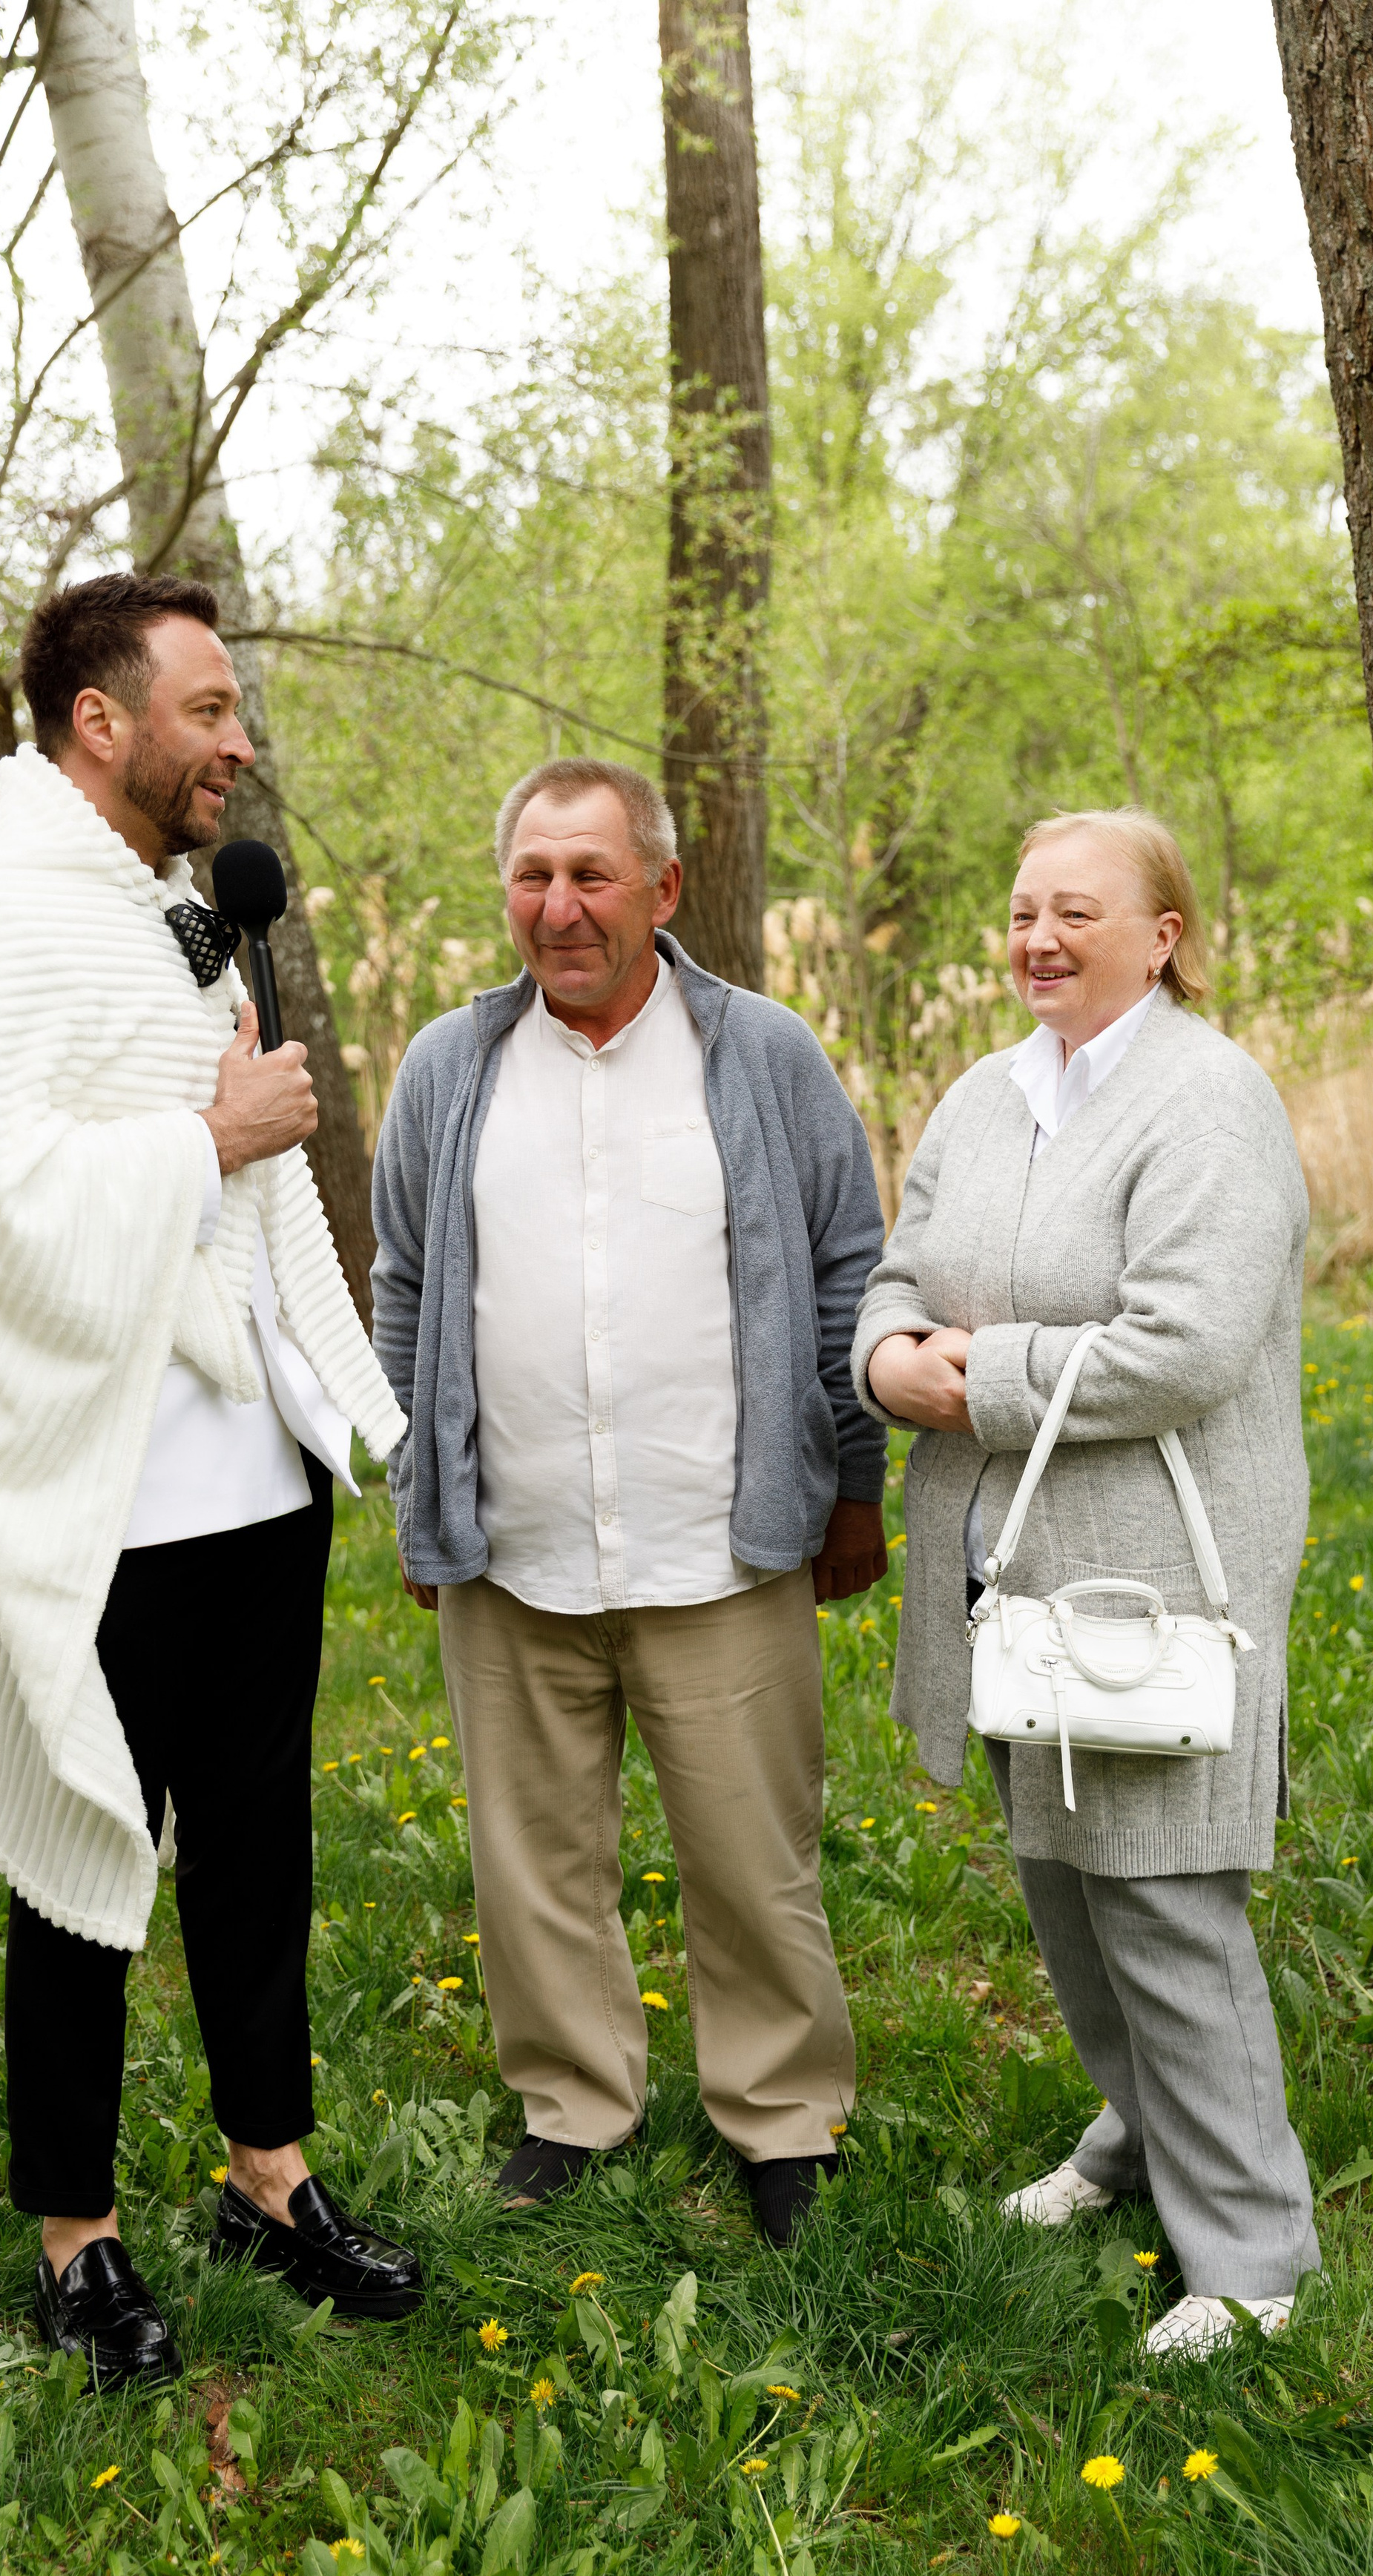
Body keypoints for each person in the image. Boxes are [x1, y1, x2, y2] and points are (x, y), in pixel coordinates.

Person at [0, 572, 424, 2391]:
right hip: (95, 1484)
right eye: (207, 708)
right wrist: (208, 1138)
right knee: (85, 1854)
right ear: (98, 719)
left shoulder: (174, 905)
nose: (239, 740)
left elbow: (230, 1179)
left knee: (259, 1852)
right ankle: (77, 2234)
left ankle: (272, 2174)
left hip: (249, 1468)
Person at [371, 758, 888, 2246]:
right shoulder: (448, 1068)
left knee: (750, 1853)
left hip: (718, 1544)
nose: (558, 905)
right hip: (513, 1548)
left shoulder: (762, 1054)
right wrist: (425, 1485)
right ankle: (570, 2103)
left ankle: (781, 2115)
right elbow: (402, 1284)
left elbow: (848, 1266)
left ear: (662, 891)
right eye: (533, 875)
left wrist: (852, 1480)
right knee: (532, 1858)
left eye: (590, 873)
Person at [852, 807, 1320, 2356]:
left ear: (1163, 932)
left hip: (1149, 1571)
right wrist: (884, 1354)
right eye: (1017, 909)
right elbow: (898, 1277)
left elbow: (1183, 1342)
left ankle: (1252, 2255)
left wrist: (970, 1377)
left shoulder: (1210, 1102)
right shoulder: (986, 1096)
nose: (1035, 938)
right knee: (1063, 1885)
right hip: (1009, 1565)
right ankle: (1138, 2136)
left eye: (1073, 911)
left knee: (1164, 1900)